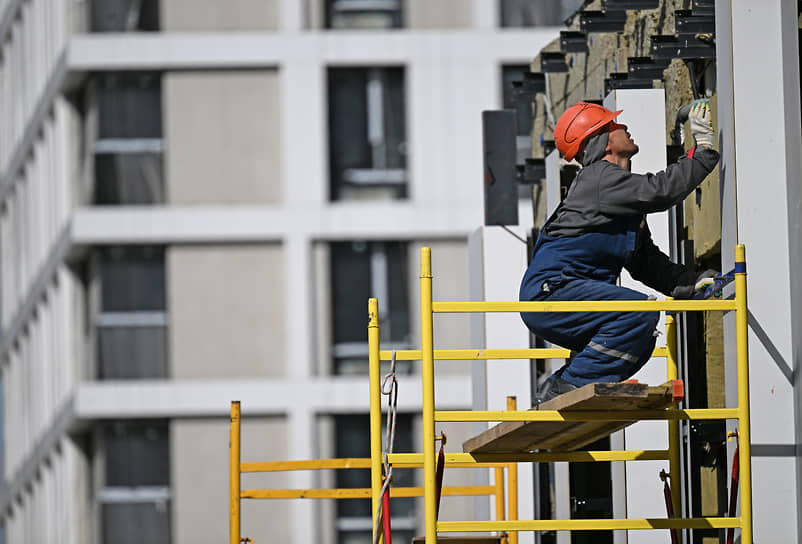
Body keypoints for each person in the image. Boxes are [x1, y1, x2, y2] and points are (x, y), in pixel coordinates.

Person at [519, 100, 719, 403]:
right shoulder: (599, 178)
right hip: (553, 293)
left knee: (639, 339)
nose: (623, 126)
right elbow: (660, 191)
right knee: (637, 313)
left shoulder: (617, 196)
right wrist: (703, 150)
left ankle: (564, 383)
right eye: (613, 125)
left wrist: (690, 282)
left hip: (559, 296)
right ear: (601, 142)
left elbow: (644, 263)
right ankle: (568, 384)